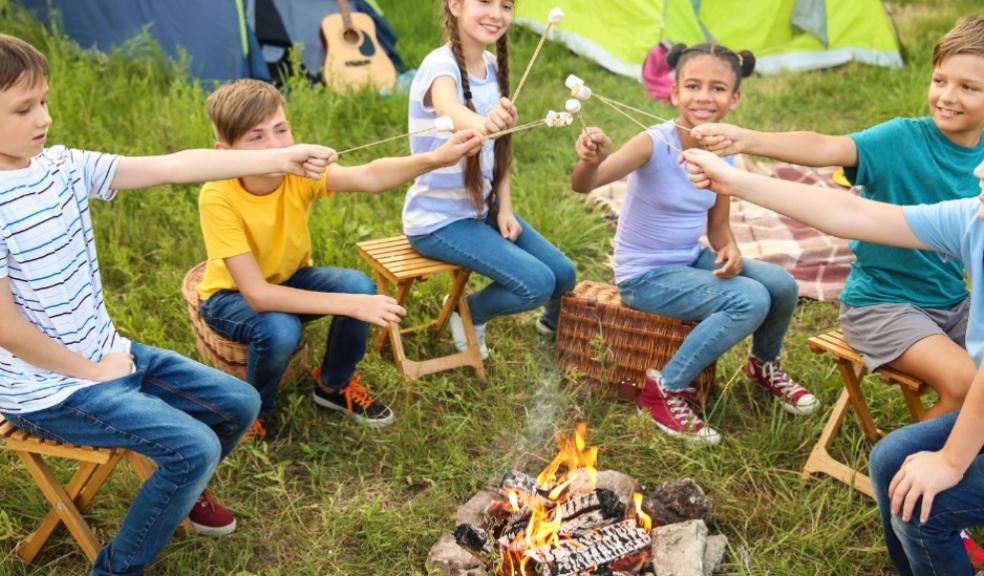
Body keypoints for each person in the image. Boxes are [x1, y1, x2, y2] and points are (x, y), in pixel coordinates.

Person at [0, 34, 335, 575]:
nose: (44, 116)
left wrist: (282, 156)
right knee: (194, 447)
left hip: (107, 354)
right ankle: (114, 569)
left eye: (44, 100)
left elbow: (172, 165)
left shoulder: (60, 166)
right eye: (24, 108)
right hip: (46, 389)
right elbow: (7, 329)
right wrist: (93, 371)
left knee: (241, 403)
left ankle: (183, 493)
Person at [683, 144, 984, 576]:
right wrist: (732, 181)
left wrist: (952, 461)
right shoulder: (976, 217)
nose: (979, 170)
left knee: (925, 511)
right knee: (889, 459)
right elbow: (853, 214)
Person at [690, 16, 984, 419]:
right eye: (940, 80)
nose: (947, 96)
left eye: (968, 87)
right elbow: (826, 146)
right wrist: (747, 140)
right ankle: (910, 470)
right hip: (883, 305)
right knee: (966, 386)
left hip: (954, 302)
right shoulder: (902, 138)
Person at [197, 79, 482, 437]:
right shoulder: (217, 196)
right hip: (230, 297)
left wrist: (436, 158)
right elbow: (257, 295)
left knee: (359, 286)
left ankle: (333, 386)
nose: (275, 145)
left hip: (286, 279)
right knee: (282, 327)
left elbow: (368, 176)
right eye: (256, 137)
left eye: (281, 130)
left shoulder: (295, 172)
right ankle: (254, 409)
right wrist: (350, 305)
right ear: (224, 153)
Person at [570, 43, 818, 445]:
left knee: (781, 285)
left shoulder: (724, 154)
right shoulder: (653, 142)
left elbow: (718, 226)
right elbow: (584, 184)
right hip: (646, 276)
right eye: (693, 86)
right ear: (674, 92)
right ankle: (664, 390)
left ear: (735, 99)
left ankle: (763, 365)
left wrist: (731, 249)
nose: (704, 97)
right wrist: (591, 159)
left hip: (689, 259)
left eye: (718, 88)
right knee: (749, 299)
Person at [402, 0, 576, 359]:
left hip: (483, 208)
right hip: (439, 220)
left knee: (562, 273)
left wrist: (505, 208)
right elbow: (449, 108)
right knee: (537, 283)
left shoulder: (493, 68)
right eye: (485, 2)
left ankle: (552, 330)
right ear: (455, 5)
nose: (497, 14)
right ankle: (467, 311)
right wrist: (484, 125)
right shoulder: (440, 65)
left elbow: (499, 152)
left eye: (507, 6)